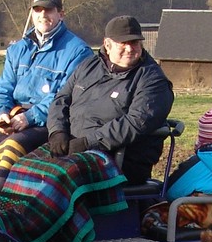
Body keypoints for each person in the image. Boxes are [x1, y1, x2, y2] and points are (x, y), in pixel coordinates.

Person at [0, 0, 93, 190]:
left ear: (61, 14)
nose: (43, 15)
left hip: (50, 122)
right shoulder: (18, 49)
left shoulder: (78, 51)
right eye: (38, 10)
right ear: (32, 13)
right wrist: (1, 113)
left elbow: (63, 96)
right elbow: (3, 87)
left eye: (49, 10)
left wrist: (29, 117)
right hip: (15, 117)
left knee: (10, 148)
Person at [46, 15, 175, 185]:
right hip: (73, 146)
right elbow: (61, 100)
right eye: (123, 43)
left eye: (134, 42)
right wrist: (57, 132)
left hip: (118, 157)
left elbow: (136, 122)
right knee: (24, 169)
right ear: (107, 45)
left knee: (55, 181)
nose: (129, 48)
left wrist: (88, 143)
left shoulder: (152, 80)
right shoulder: (88, 66)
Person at [141, 108, 212, 231]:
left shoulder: (196, 164)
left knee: (150, 215)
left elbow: (171, 192)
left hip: (196, 218)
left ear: (202, 136)